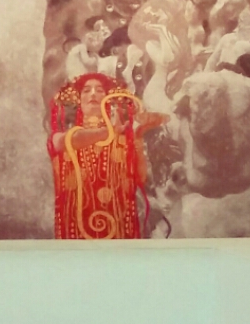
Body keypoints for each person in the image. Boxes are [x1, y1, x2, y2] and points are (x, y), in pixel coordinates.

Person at [48, 73, 166, 239]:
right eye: (86, 91)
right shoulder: (61, 136)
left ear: (108, 99)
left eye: (99, 90)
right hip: (77, 228)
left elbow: (140, 178)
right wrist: (108, 131)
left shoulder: (123, 141)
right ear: (79, 100)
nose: (93, 94)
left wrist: (138, 136)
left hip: (119, 226)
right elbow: (67, 142)